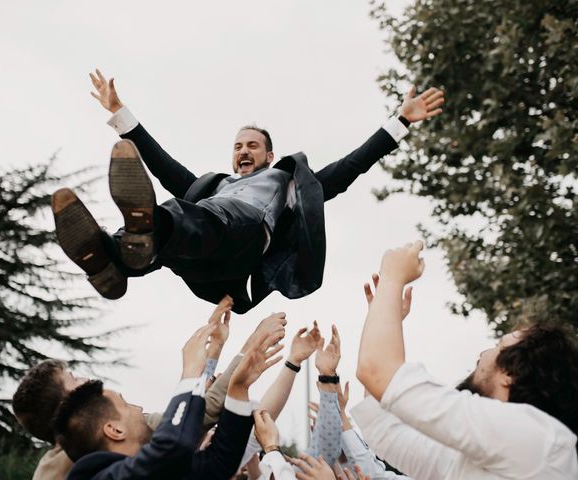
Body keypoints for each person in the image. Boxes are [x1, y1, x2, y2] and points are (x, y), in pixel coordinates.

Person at [51, 69, 444, 313]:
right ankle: (109, 261)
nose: (243, 151)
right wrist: (120, 114)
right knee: (179, 225)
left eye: (252, 145)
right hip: (205, 269)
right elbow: (163, 163)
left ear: (269, 155)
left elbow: (350, 166)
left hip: (246, 238)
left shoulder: (287, 185)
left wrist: (399, 123)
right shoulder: (213, 187)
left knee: (191, 215)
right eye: (238, 146)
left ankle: (142, 236)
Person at [352, 241, 578, 479]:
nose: (482, 354)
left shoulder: (537, 441)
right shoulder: (487, 453)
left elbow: (377, 372)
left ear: (512, 372)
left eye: (498, 346)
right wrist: (385, 319)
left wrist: (392, 276)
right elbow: (386, 432)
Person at [55, 321, 285, 480]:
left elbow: (218, 465)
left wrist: (239, 388)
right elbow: (173, 444)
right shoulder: (95, 476)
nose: (139, 408)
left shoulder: (158, 471)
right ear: (115, 430)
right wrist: (190, 374)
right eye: (126, 405)